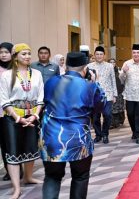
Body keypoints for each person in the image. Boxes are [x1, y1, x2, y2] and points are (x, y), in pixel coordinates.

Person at [40, 52, 107, 199]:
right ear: (85, 69)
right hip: (78, 139)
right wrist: (95, 82)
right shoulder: (89, 86)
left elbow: (45, 102)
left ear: (66, 66)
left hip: (52, 137)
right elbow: (100, 106)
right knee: (80, 177)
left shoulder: (51, 82)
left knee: (52, 177)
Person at [0, 43, 44, 199]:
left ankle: (28, 177)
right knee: (13, 151)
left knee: (31, 148)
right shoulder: (6, 75)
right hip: (12, 118)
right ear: (16, 56)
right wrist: (17, 118)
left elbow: (40, 98)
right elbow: (4, 100)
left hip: (32, 116)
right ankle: (16, 188)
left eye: (29, 54)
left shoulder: (37, 74)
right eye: (23, 54)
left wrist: (35, 115)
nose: (27, 57)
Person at [120, 44, 139, 144]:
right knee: (130, 114)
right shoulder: (127, 63)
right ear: (131, 53)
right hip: (129, 94)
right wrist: (123, 72)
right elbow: (121, 80)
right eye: (134, 52)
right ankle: (134, 131)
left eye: (138, 52)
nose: (136, 54)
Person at [88, 46, 117, 144]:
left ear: (104, 55)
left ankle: (105, 134)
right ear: (94, 55)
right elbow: (87, 81)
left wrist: (114, 95)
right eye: (97, 54)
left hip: (107, 95)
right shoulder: (89, 66)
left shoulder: (109, 66)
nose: (99, 56)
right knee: (95, 117)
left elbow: (113, 80)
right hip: (94, 96)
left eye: (101, 54)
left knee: (107, 115)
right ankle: (98, 134)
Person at [0, 42, 13, 181]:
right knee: (4, 142)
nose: (3, 55)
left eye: (6, 52)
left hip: (15, 111)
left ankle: (18, 166)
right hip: (0, 111)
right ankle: (9, 170)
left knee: (14, 141)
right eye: (1, 52)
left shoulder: (17, 68)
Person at [109, 58, 125, 128]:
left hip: (119, 91)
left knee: (119, 107)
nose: (112, 63)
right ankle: (112, 123)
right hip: (111, 91)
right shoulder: (107, 70)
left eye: (113, 62)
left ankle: (120, 120)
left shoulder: (119, 70)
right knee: (112, 108)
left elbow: (123, 79)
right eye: (110, 62)